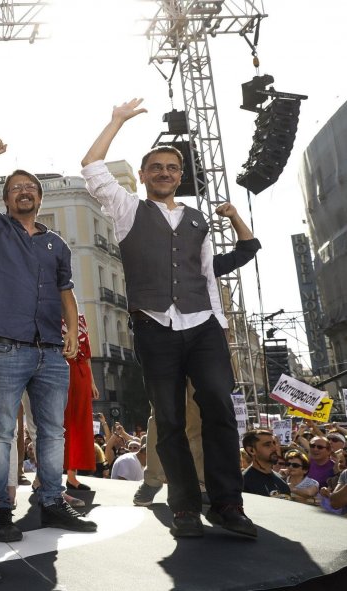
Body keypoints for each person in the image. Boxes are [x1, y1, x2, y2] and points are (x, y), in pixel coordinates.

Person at [81, 98, 256, 539]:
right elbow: (91, 166)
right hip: (153, 324)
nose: (163, 173)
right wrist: (116, 119)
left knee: (218, 404)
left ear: (180, 176)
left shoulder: (198, 220)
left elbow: (206, 278)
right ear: (142, 175)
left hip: (202, 325)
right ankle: (183, 507)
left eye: (171, 168)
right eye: (155, 167)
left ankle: (227, 504)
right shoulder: (126, 210)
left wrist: (219, 322)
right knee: (171, 419)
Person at [0, 136, 95, 544]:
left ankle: (51, 501)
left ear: (40, 197)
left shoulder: (57, 244)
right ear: (6, 200)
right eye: (16, 189)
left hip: (51, 350)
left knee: (53, 431)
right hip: (5, 347)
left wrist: (70, 333)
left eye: (30, 187)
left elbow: (66, 290)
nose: (24, 191)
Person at [133, 202, 261, 506]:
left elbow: (247, 249)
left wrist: (233, 216)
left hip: (204, 342)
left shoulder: (205, 266)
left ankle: (202, 483)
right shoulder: (149, 266)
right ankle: (153, 479)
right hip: (164, 343)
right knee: (162, 416)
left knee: (202, 413)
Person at [64, 315, 100, 491]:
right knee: (58, 424)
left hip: (81, 374)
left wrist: (92, 382)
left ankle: (72, 477)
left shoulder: (80, 320)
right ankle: (46, 477)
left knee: (79, 424)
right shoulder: (47, 313)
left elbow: (87, 354)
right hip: (61, 370)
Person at [241, 429, 290, 498]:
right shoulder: (242, 483)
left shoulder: (281, 480)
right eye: (267, 445)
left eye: (274, 443)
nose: (274, 448)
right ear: (251, 450)